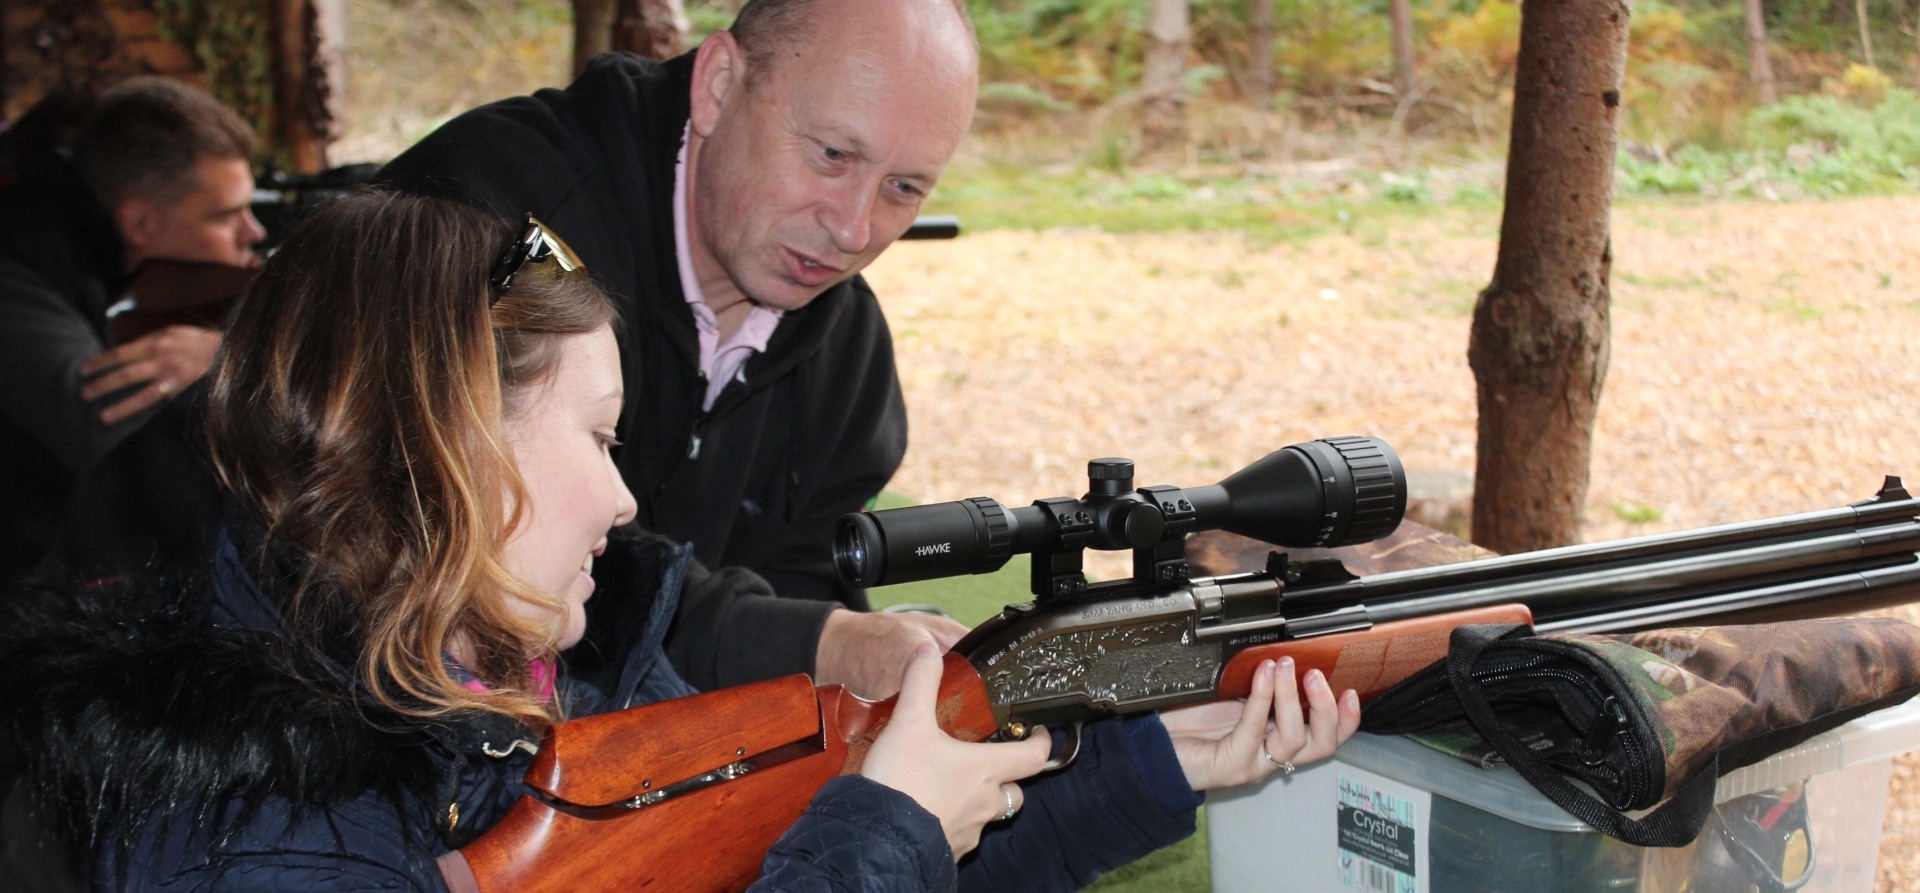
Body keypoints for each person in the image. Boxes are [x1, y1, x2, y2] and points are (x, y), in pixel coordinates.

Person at [0, 192, 1361, 891]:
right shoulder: (246, 824)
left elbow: (801, 864)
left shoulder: (548, 690)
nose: (622, 504)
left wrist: (1140, 764)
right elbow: (854, 863)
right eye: (596, 441)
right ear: (443, 441)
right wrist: (888, 824)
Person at [377, 0, 981, 698]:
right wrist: (800, 642)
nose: (854, 229)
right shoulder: (500, 229)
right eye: (833, 155)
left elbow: (806, 591)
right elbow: (446, 534)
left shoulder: (847, 357)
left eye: (903, 189)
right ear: (719, 84)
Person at [0, 78, 265, 584]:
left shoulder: (97, 248)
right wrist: (236, 361)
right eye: (227, 215)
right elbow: (112, 435)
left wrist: (223, 351)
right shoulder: (16, 267)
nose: (253, 233)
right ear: (139, 221)